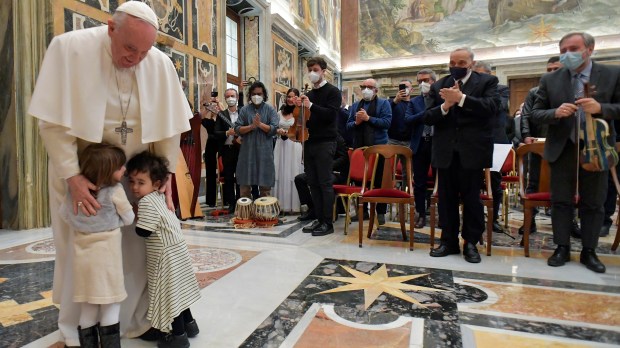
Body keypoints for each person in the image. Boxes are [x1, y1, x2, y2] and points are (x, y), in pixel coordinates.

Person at [28, 2, 192, 345]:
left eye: (144, 51)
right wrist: (72, 177)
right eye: (129, 48)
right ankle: (77, 326)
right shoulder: (69, 48)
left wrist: (162, 180)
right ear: (110, 27)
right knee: (82, 251)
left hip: (133, 179)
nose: (135, 59)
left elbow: (170, 129)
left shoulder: (159, 64)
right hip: (81, 175)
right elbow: (53, 124)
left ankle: (135, 319)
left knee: (136, 247)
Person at [531, 32, 620, 273]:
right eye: (563, 50)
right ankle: (562, 247)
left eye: (574, 48)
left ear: (589, 49)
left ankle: (589, 251)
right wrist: (555, 113)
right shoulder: (550, 79)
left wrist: (602, 107)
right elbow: (535, 113)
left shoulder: (612, 73)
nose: (568, 53)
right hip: (563, 147)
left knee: (594, 202)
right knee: (560, 201)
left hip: (597, 148)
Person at [423, 47, 500, 264]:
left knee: (471, 199)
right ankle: (448, 241)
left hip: (473, 151)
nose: (456, 66)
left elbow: (492, 108)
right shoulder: (439, 85)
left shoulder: (486, 82)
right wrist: (446, 105)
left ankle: (471, 243)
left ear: (471, 64)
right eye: (452, 62)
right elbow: (428, 117)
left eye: (461, 63)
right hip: (445, 151)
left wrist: (462, 98)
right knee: (446, 199)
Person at [60, 144, 134, 347]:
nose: (124, 170)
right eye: (120, 167)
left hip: (82, 263)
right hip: (107, 261)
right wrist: (115, 221)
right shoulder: (115, 191)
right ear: (108, 171)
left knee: (88, 308)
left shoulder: (74, 193)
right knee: (111, 305)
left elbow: (65, 215)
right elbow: (129, 218)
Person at [127, 151, 201, 347]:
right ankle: (190, 326)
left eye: (141, 182)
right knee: (180, 292)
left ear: (157, 184)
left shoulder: (145, 202)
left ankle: (178, 337)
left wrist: (134, 214)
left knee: (169, 296)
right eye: (132, 181)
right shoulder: (158, 198)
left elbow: (144, 232)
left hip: (164, 257)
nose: (135, 187)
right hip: (177, 251)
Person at [518, 56, 564, 235]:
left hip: (562, 144)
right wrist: (527, 135)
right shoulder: (535, 92)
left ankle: (569, 223)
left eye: (556, 69)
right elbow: (526, 115)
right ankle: (530, 220)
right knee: (533, 182)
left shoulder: (571, 90)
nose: (552, 73)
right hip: (537, 144)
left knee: (565, 184)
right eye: (549, 69)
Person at [298, 56, 342, 236]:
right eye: (309, 70)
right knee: (313, 183)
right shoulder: (309, 95)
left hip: (326, 142)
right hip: (310, 141)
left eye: (315, 70)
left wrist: (311, 105)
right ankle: (318, 218)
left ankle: (327, 222)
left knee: (324, 183)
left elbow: (331, 115)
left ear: (324, 71)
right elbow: (305, 119)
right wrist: (298, 108)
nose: (311, 73)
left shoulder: (333, 91)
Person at [346, 78, 392, 225]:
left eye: (369, 87)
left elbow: (387, 123)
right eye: (363, 86)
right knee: (359, 181)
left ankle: (380, 212)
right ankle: (362, 211)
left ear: (376, 90)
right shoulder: (354, 106)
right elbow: (348, 126)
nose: (366, 89)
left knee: (380, 181)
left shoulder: (384, 103)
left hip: (379, 148)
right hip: (360, 149)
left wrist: (368, 118)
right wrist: (357, 122)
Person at [472, 61, 510, 234]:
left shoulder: (501, 89)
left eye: (480, 74)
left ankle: (493, 218)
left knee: (494, 181)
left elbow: (496, 107)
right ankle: (474, 217)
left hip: (495, 140)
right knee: (472, 181)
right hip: (473, 140)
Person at [233, 81, 279, 198]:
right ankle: (246, 214)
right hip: (247, 153)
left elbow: (274, 129)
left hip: (264, 153)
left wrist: (259, 125)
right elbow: (237, 129)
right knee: (244, 187)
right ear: (250, 95)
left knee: (265, 188)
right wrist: (251, 126)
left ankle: (264, 214)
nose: (256, 96)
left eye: (259, 94)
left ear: (264, 95)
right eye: (253, 94)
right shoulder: (244, 110)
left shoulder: (270, 110)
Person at [404, 68, 437, 229]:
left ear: (434, 81)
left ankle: (441, 214)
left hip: (438, 145)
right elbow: (408, 120)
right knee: (420, 183)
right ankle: (421, 214)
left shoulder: (440, 99)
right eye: (419, 81)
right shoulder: (414, 102)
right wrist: (426, 114)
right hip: (420, 144)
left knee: (441, 182)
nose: (422, 84)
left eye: (426, 80)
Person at [296, 133, 350, 221]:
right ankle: (313, 209)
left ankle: (328, 213)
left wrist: (328, 166)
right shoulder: (317, 138)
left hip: (336, 172)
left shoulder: (337, 138)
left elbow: (343, 158)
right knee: (300, 179)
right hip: (320, 171)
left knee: (324, 181)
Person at [273, 88, 304, 213]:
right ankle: (280, 204)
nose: (290, 99)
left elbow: (302, 130)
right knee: (280, 171)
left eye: (293, 96)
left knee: (293, 172)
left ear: (297, 98)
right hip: (281, 144)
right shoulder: (279, 112)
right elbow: (273, 127)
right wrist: (278, 131)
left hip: (294, 144)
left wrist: (290, 132)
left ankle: (295, 205)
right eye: (288, 96)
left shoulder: (300, 112)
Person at [212, 88, 242, 213]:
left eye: (233, 96)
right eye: (228, 96)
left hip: (241, 149)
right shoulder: (221, 115)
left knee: (240, 177)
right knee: (229, 177)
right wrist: (226, 132)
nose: (231, 98)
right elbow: (215, 133)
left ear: (237, 98)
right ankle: (231, 203)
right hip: (227, 150)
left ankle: (241, 201)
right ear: (225, 99)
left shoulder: (243, 112)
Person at [201, 93, 224, 207]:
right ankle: (211, 200)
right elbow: (200, 117)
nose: (215, 108)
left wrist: (219, 103)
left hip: (222, 145)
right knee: (210, 173)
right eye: (214, 106)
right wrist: (207, 106)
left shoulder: (223, 119)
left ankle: (227, 198)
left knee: (225, 171)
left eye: (216, 106)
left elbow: (226, 115)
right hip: (210, 145)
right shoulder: (208, 121)